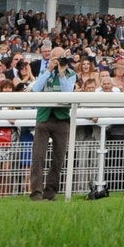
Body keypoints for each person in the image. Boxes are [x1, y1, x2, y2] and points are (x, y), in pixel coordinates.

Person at [28, 46, 76, 201]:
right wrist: (49, 70)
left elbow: (67, 94)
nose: (57, 61)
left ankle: (51, 191)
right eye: (54, 58)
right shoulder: (44, 72)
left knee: (58, 157)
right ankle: (36, 191)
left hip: (61, 119)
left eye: (59, 58)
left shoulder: (71, 74)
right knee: (38, 156)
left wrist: (61, 73)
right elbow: (36, 90)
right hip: (44, 117)